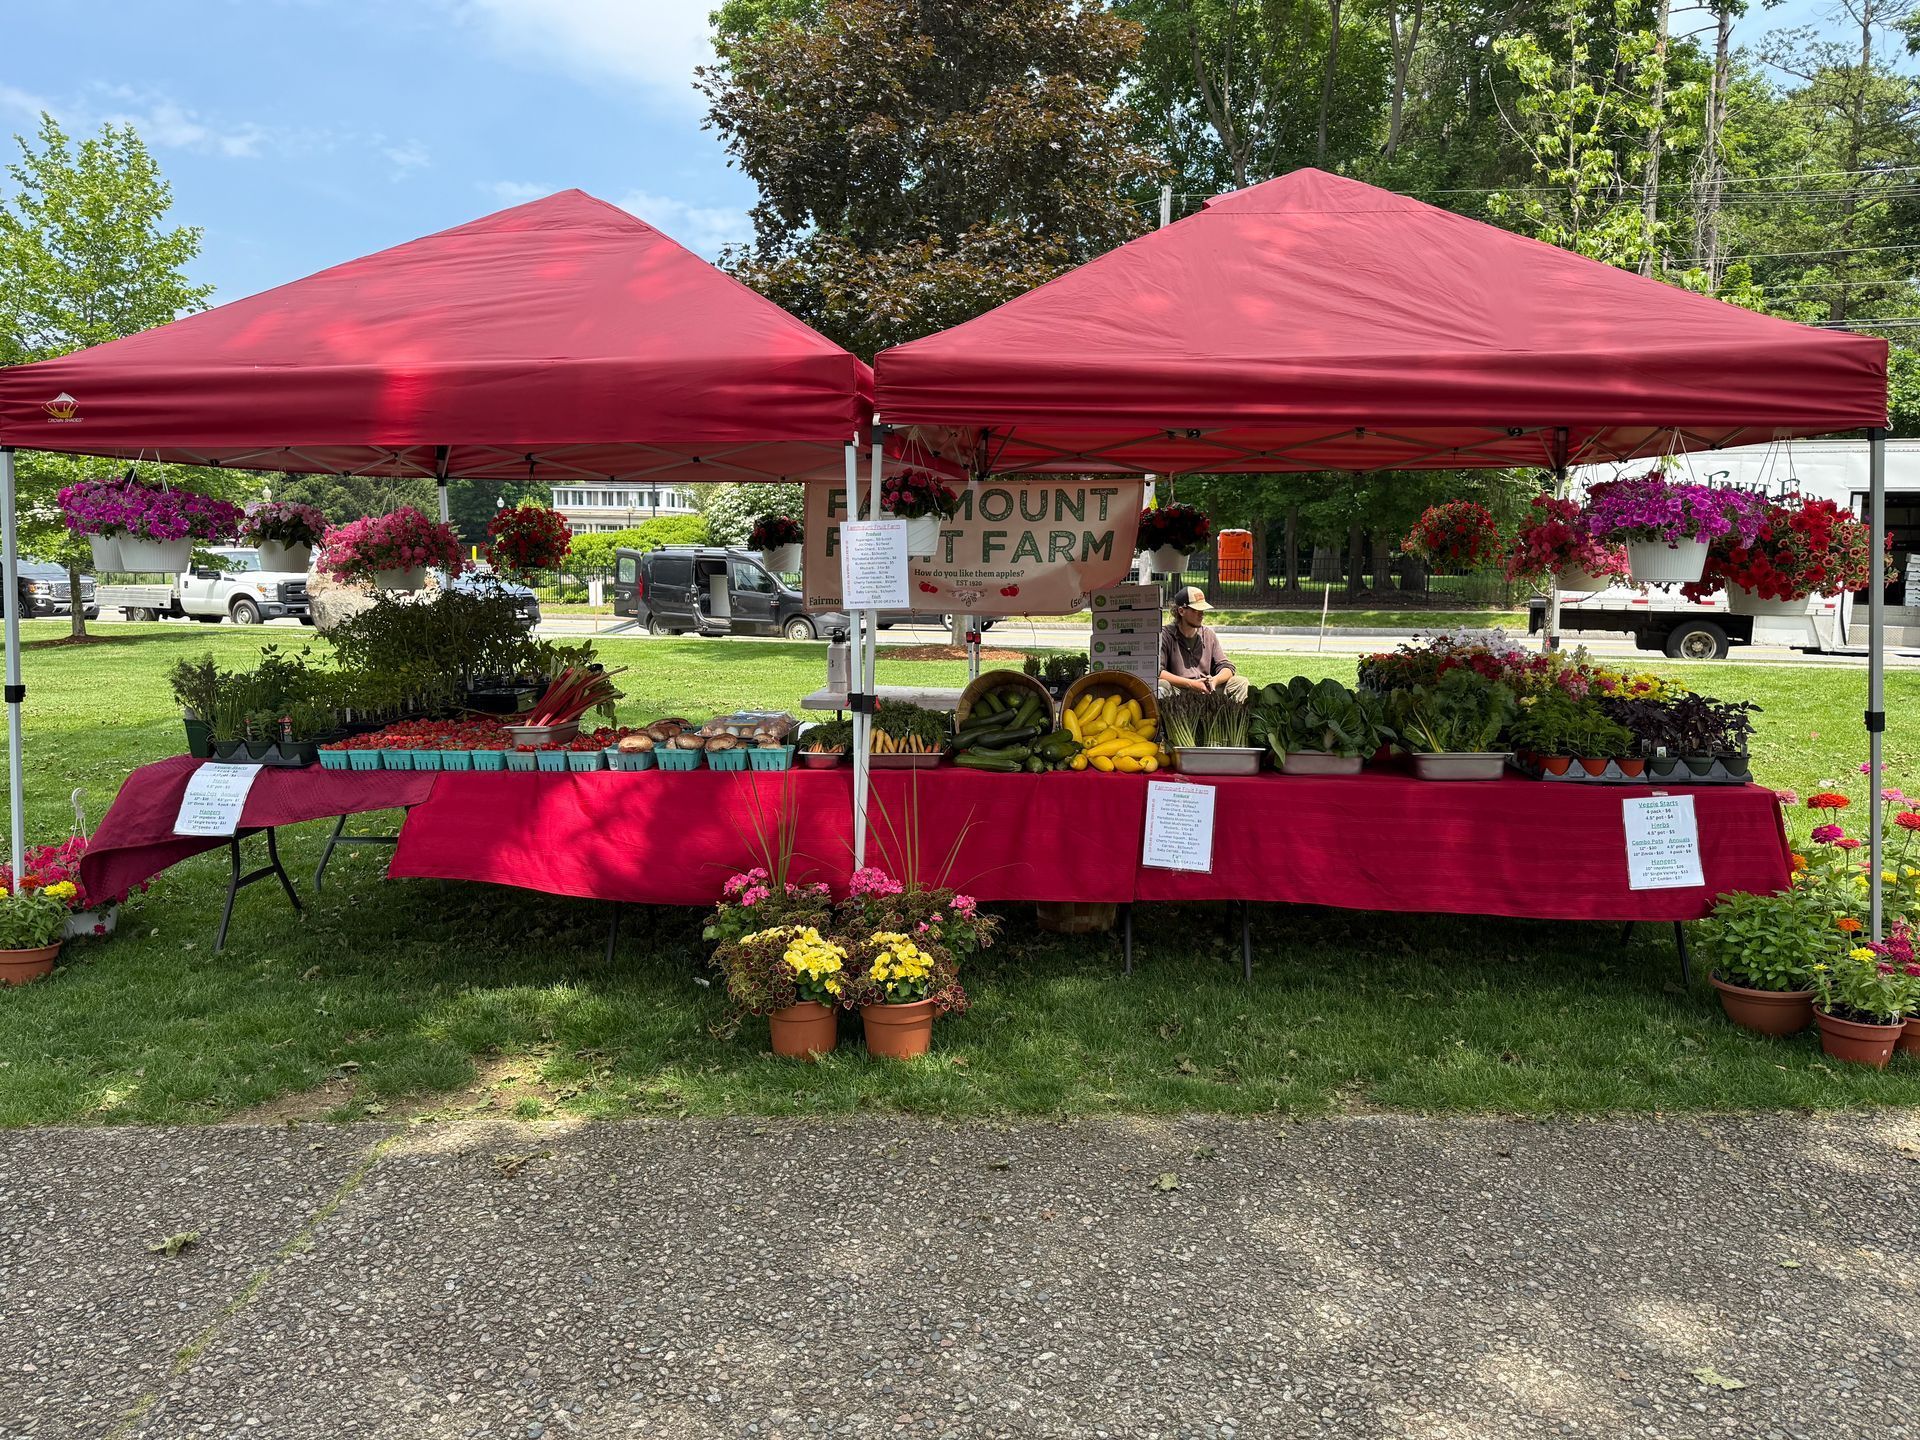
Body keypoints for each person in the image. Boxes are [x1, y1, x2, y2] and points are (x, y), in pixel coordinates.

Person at [1158, 585, 1248, 701]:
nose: (1201, 614)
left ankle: (1229, 717)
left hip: (1207, 689)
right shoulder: (1165, 635)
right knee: (1162, 685)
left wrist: (1214, 681)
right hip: (1179, 691)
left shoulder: (1208, 634)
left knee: (1240, 683)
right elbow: (1158, 672)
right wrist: (1191, 684)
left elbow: (1227, 666)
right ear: (1181, 611)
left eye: (1203, 610)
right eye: (1196, 610)